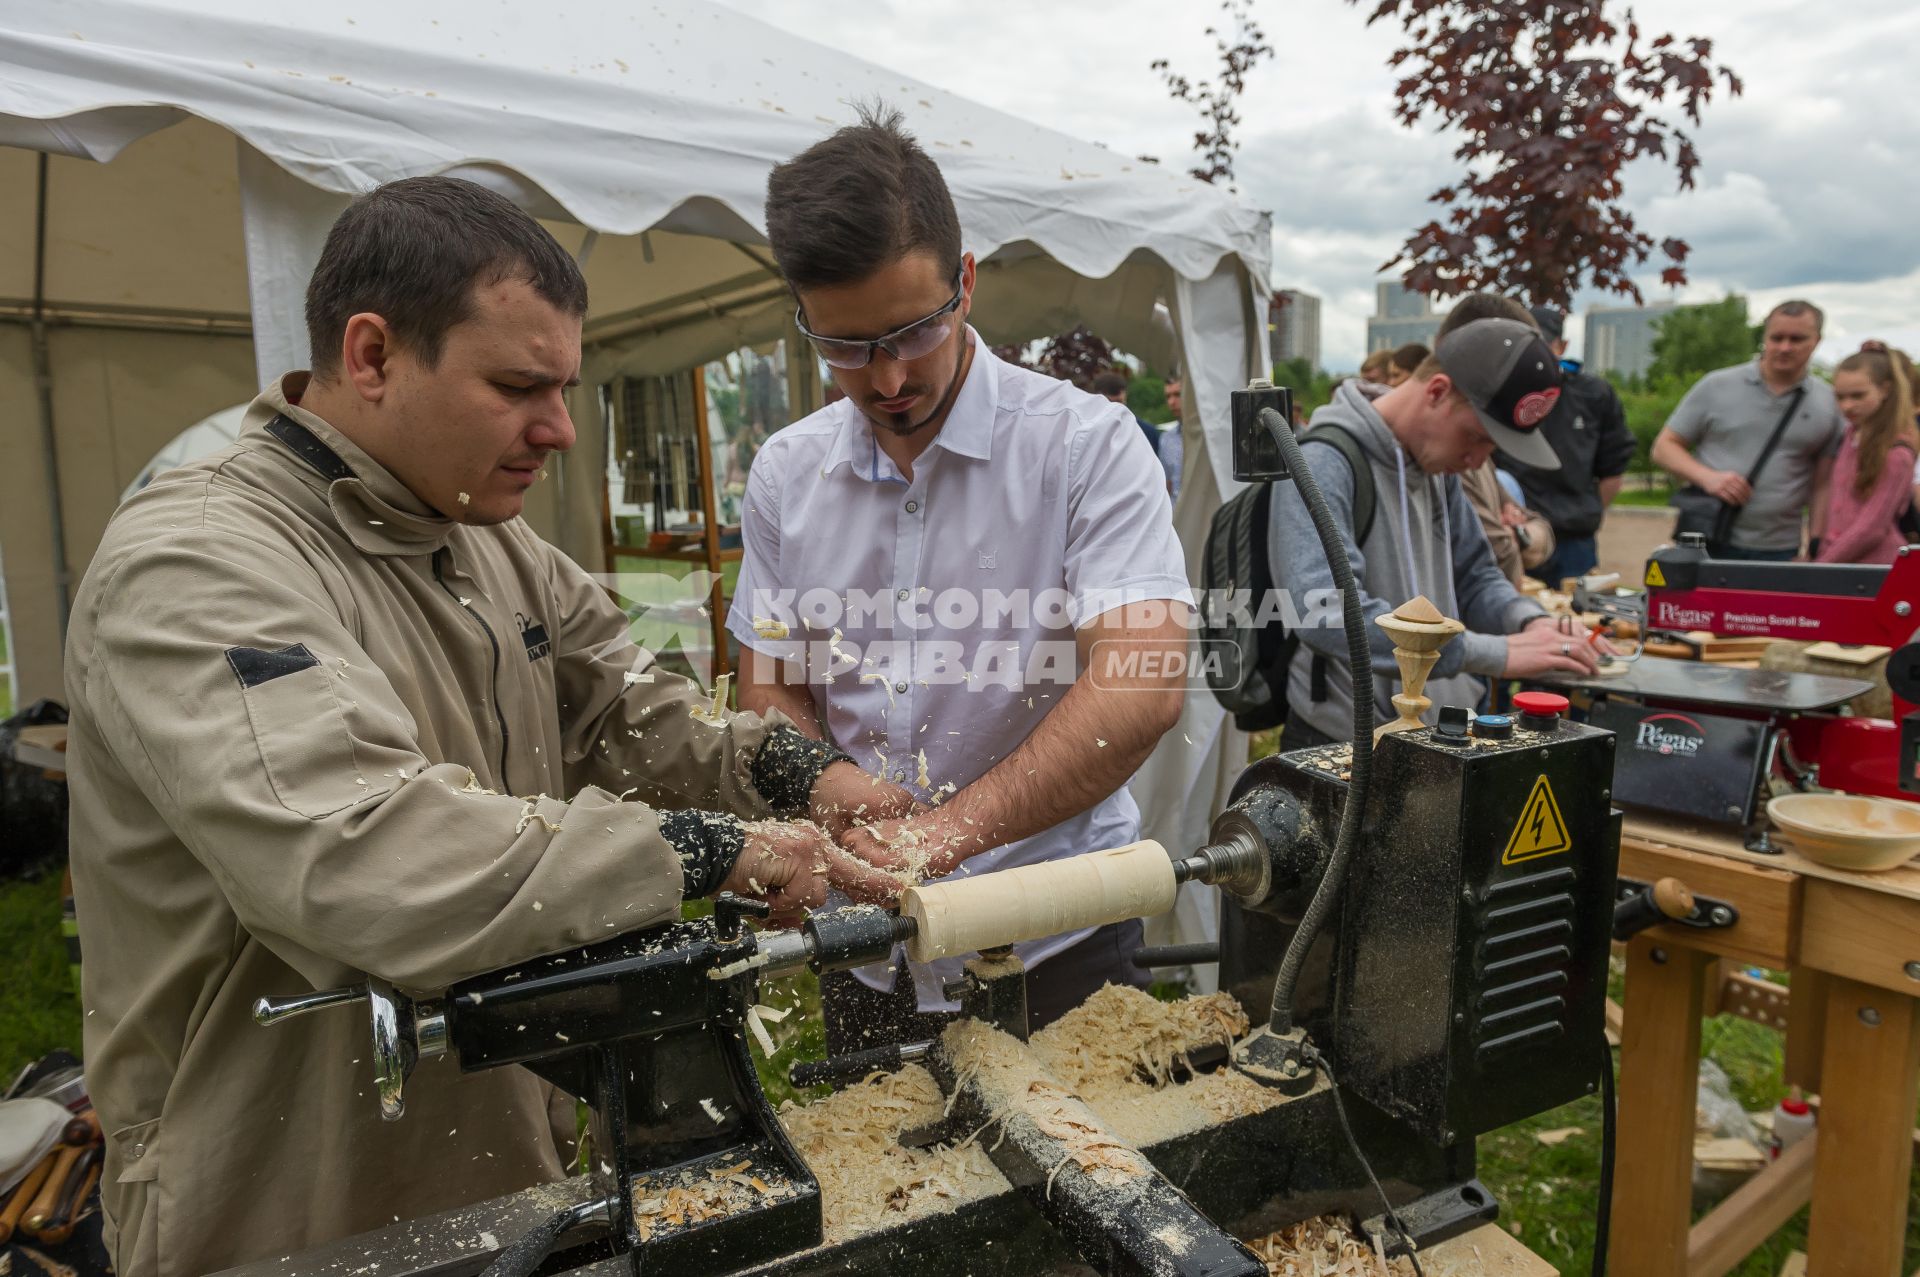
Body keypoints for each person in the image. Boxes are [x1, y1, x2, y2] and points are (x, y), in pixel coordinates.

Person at [63, 176, 906, 1277]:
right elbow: (363, 853)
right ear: (371, 356)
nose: (558, 428)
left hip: (508, 1162)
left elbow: (630, 711)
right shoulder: (199, 561)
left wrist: (802, 773)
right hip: (290, 1206)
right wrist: (703, 851)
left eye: (564, 386)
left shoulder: (485, 535)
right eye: (518, 386)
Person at [733, 108, 1191, 1052]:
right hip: (867, 946)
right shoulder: (786, 472)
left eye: (911, 331)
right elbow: (770, 682)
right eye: (846, 346)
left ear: (966, 283)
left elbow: (1141, 684)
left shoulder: (1085, 447)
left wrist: (943, 833)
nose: (887, 376)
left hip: (1055, 931)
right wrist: (824, 792)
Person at [1267, 318, 1606, 750]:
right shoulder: (1323, 461)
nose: (1476, 461)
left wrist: (1531, 622)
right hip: (1345, 742)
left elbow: (1476, 576)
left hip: (1442, 736)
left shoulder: (1436, 468)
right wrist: (1495, 653)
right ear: (1437, 391)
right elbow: (1325, 612)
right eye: (1475, 437)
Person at [1652, 300, 1843, 560]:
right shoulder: (1716, 385)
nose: (1785, 347)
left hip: (1780, 547)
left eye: (1797, 339)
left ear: (1817, 340)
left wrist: (1815, 545)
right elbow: (1664, 448)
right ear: (1764, 337)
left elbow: (1823, 484)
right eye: (1777, 338)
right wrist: (1708, 478)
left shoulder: (1829, 402)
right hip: (1708, 537)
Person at [1494, 304, 1636, 582]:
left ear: (1562, 345)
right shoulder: (1500, 392)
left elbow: (1613, 471)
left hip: (1574, 541)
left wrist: (1586, 513)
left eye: (1544, 342)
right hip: (1517, 535)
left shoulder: (1594, 394)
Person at [1815, 343, 1918, 565]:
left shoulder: (1896, 452)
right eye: (1840, 397)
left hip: (1873, 567)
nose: (1847, 406)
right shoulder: (1850, 436)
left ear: (1885, 390)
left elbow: (1872, 528)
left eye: (1858, 396)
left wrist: (1822, 566)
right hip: (1838, 561)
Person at [1093, 367, 1162, 460]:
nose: (1115, 408)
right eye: (1110, 402)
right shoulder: (1088, 434)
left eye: (1119, 402)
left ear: (1125, 396)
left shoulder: (1147, 432)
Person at [1159, 376, 1184, 498]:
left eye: (1177, 394)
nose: (1171, 402)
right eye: (1168, 396)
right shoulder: (1166, 439)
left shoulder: (1209, 437)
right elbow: (1166, 486)